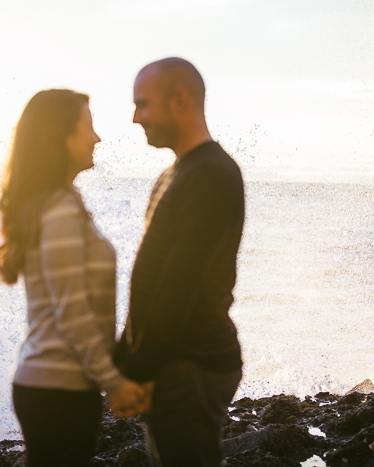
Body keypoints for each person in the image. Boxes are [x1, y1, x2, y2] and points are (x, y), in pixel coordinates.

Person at [0, 89, 146, 467]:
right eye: (88, 127)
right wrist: (114, 382)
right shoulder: (59, 208)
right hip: (57, 391)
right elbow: (72, 311)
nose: (97, 138)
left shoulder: (58, 201)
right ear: (59, 137)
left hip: (54, 387)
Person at [113, 58, 245, 466]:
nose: (135, 117)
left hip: (193, 363)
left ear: (180, 100)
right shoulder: (177, 173)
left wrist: (138, 371)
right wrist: (120, 360)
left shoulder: (212, 174)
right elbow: (151, 279)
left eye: (143, 104)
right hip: (174, 361)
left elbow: (178, 285)